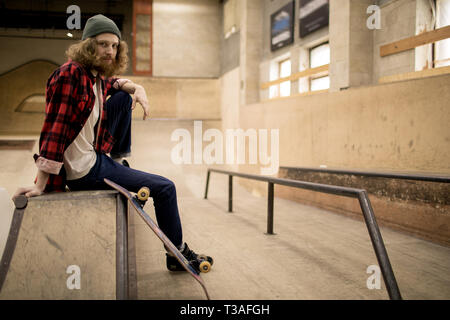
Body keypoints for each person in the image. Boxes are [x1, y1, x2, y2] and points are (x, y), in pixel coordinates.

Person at [13, 14, 211, 273]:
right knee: (165, 188)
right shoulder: (70, 74)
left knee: (121, 96)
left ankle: (118, 160)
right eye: (103, 44)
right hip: (85, 171)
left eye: (115, 46)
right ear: (87, 45)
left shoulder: (92, 76)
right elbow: (54, 129)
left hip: (97, 157)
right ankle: (177, 253)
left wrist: (134, 86)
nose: (110, 51)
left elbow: (111, 83)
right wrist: (42, 184)